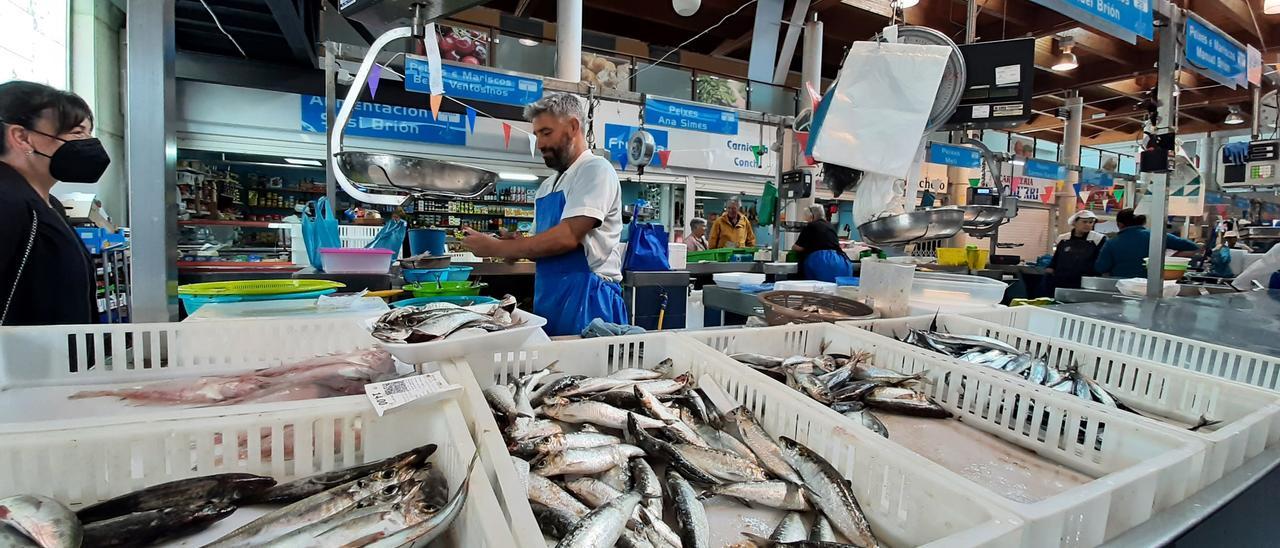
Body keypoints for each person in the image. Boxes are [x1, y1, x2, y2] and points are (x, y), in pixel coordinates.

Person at [460, 93, 627, 336]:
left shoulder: (595, 170)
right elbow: (541, 244)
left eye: (546, 133)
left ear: (572, 126)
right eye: (537, 134)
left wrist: (497, 249)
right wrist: (513, 244)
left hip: (590, 298)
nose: (539, 143)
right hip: (550, 295)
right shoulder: (548, 185)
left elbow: (568, 236)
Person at [0, 81, 108, 326]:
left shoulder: (50, 204)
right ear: (22, 137)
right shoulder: (6, 201)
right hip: (19, 362)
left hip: (57, 359)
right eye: (77, 132)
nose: (87, 142)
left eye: (89, 133)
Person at [1095, 208, 1199, 278]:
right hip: (1151, 285)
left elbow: (1101, 267)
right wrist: (1168, 260)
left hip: (1122, 286)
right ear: (1143, 222)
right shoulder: (1156, 236)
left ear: (1119, 224)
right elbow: (1193, 248)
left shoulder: (1112, 243)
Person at [1045, 210, 1106, 290]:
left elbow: (1100, 262)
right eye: (1084, 222)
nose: (1088, 225)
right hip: (1062, 281)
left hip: (1086, 283)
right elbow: (1056, 258)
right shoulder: (1063, 238)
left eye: (1091, 222)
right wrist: (1050, 267)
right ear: (1074, 223)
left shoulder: (1098, 239)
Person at [792, 203, 850, 282]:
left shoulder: (811, 226)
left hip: (821, 261)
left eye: (807, 217)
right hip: (840, 261)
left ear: (811, 215)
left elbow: (799, 248)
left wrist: (793, 247)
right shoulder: (830, 226)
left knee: (817, 290)